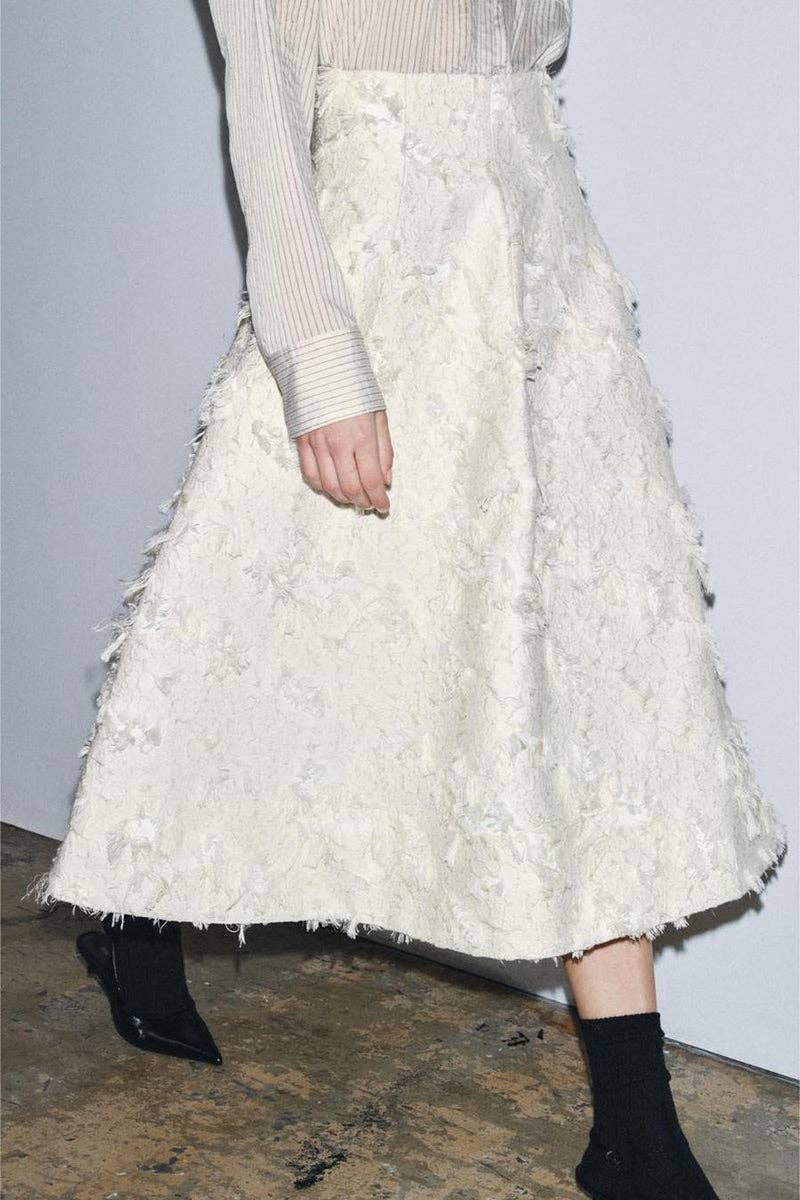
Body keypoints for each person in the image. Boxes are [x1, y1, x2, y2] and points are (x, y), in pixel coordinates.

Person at [31, 4, 786, 1198]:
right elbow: (268, 132)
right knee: (250, 636)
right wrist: (319, 367)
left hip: (535, 289)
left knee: (576, 673)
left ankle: (634, 1132)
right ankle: (132, 916)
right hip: (378, 292)